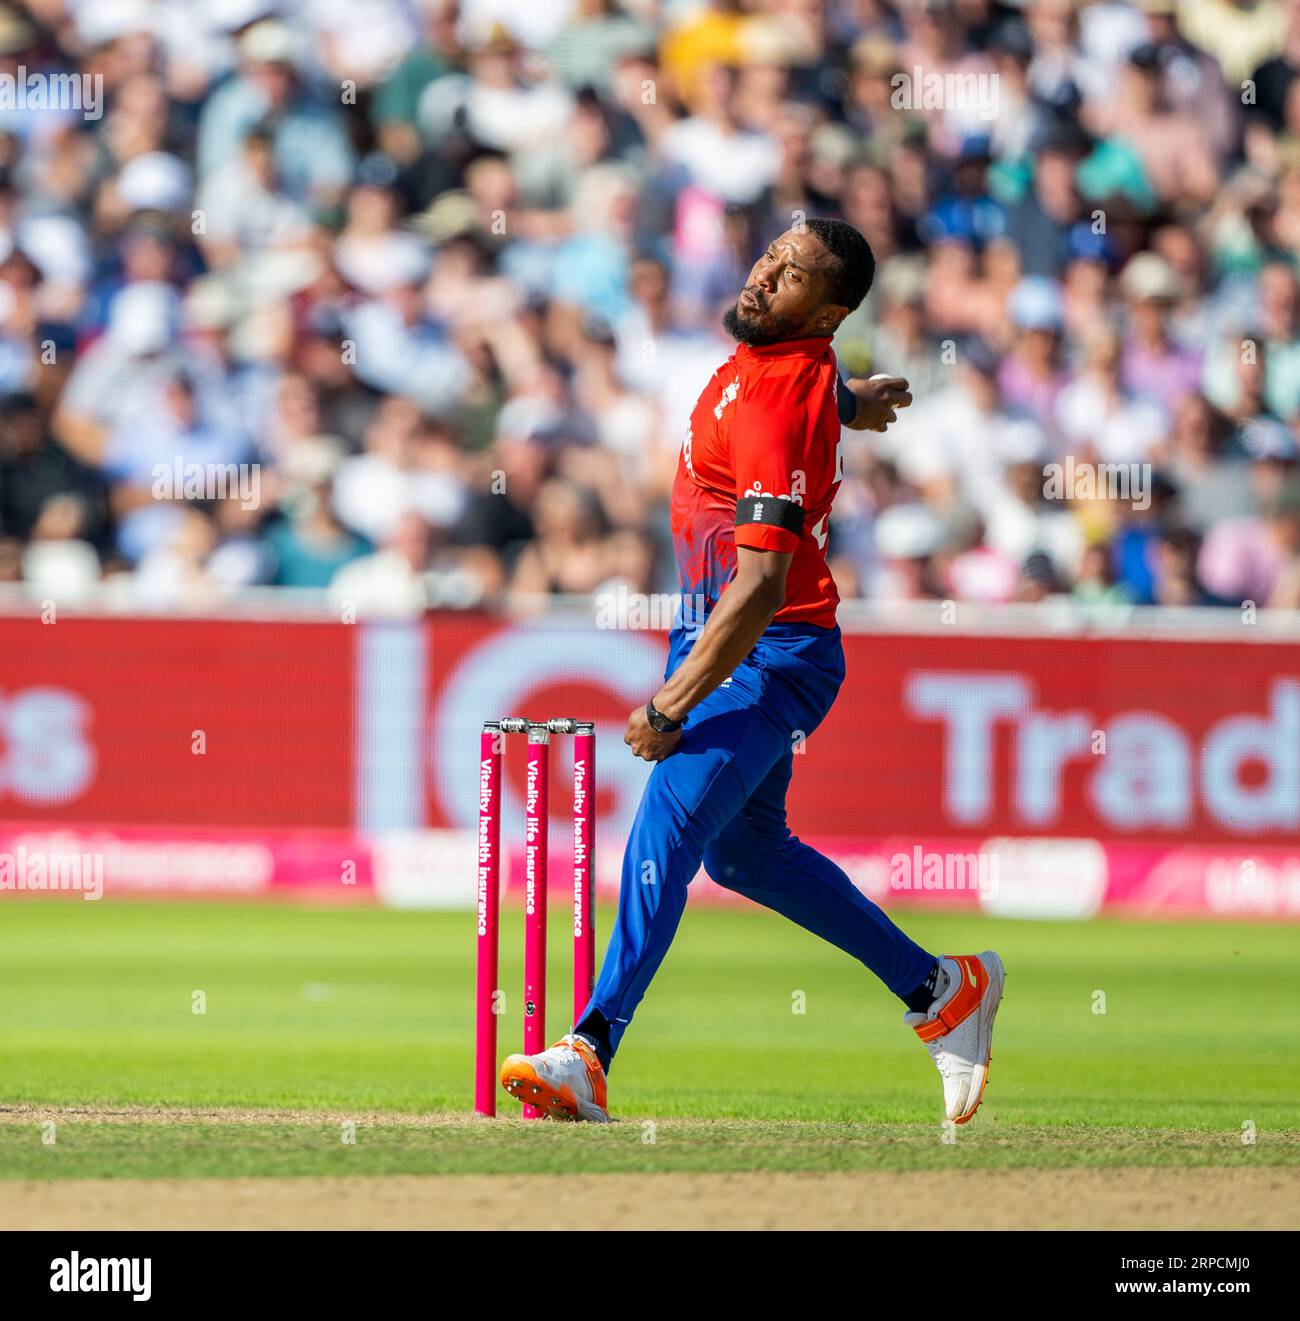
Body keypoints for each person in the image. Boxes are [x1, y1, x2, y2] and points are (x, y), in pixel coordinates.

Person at [498, 219, 1005, 1124]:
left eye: (794, 272)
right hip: (727, 636)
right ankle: (941, 990)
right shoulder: (781, 367)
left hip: (764, 648)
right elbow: (800, 391)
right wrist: (849, 402)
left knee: (668, 820)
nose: (766, 275)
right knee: (745, 851)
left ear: (834, 309)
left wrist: (670, 700)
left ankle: (589, 1049)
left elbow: (762, 584)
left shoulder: (780, 396)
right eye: (771, 255)